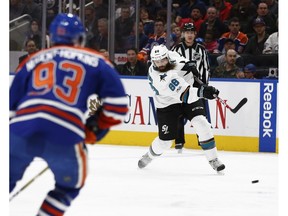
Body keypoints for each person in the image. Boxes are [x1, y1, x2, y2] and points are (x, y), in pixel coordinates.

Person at [10, 13, 128, 215]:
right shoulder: (97, 61)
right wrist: (95, 127)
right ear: (80, 38)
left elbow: (10, 109)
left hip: (21, 129)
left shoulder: (31, 60)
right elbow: (118, 107)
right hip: (64, 132)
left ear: (51, 38)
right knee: (69, 186)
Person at [137, 44, 225, 172]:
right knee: (165, 142)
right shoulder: (160, 80)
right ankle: (149, 156)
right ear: (152, 61)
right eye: (157, 62)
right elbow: (187, 95)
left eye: (162, 60)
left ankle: (213, 159)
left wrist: (188, 65)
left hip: (185, 95)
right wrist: (203, 92)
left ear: (167, 56)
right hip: (168, 104)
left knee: (201, 123)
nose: (160, 64)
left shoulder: (170, 54)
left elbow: (180, 61)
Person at [172, 23, 211, 153]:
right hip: (180, 88)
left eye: (192, 32)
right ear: (183, 34)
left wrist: (204, 86)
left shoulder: (201, 49)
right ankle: (179, 142)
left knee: (200, 116)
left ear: (195, 34)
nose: (189, 34)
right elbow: (171, 67)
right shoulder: (176, 49)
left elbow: (206, 68)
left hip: (197, 88)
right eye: (187, 32)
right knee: (178, 114)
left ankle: (203, 140)